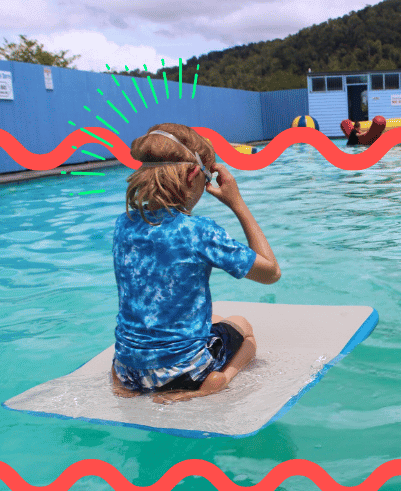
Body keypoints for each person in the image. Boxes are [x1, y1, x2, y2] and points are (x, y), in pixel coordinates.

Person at [111, 123, 281, 403]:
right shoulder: (197, 231)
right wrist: (237, 203)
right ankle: (216, 381)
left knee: (212, 319)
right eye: (206, 178)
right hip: (183, 372)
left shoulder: (123, 225)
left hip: (128, 368)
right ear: (193, 174)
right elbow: (271, 273)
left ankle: (125, 384)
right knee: (242, 326)